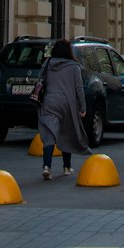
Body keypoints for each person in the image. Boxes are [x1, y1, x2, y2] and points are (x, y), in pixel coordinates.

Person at [37, 38, 90, 180]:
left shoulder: (47, 63)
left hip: (49, 101)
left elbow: (40, 81)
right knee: (67, 133)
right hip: (67, 104)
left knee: (49, 135)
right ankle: (67, 167)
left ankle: (46, 166)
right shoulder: (74, 66)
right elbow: (79, 89)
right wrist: (83, 108)